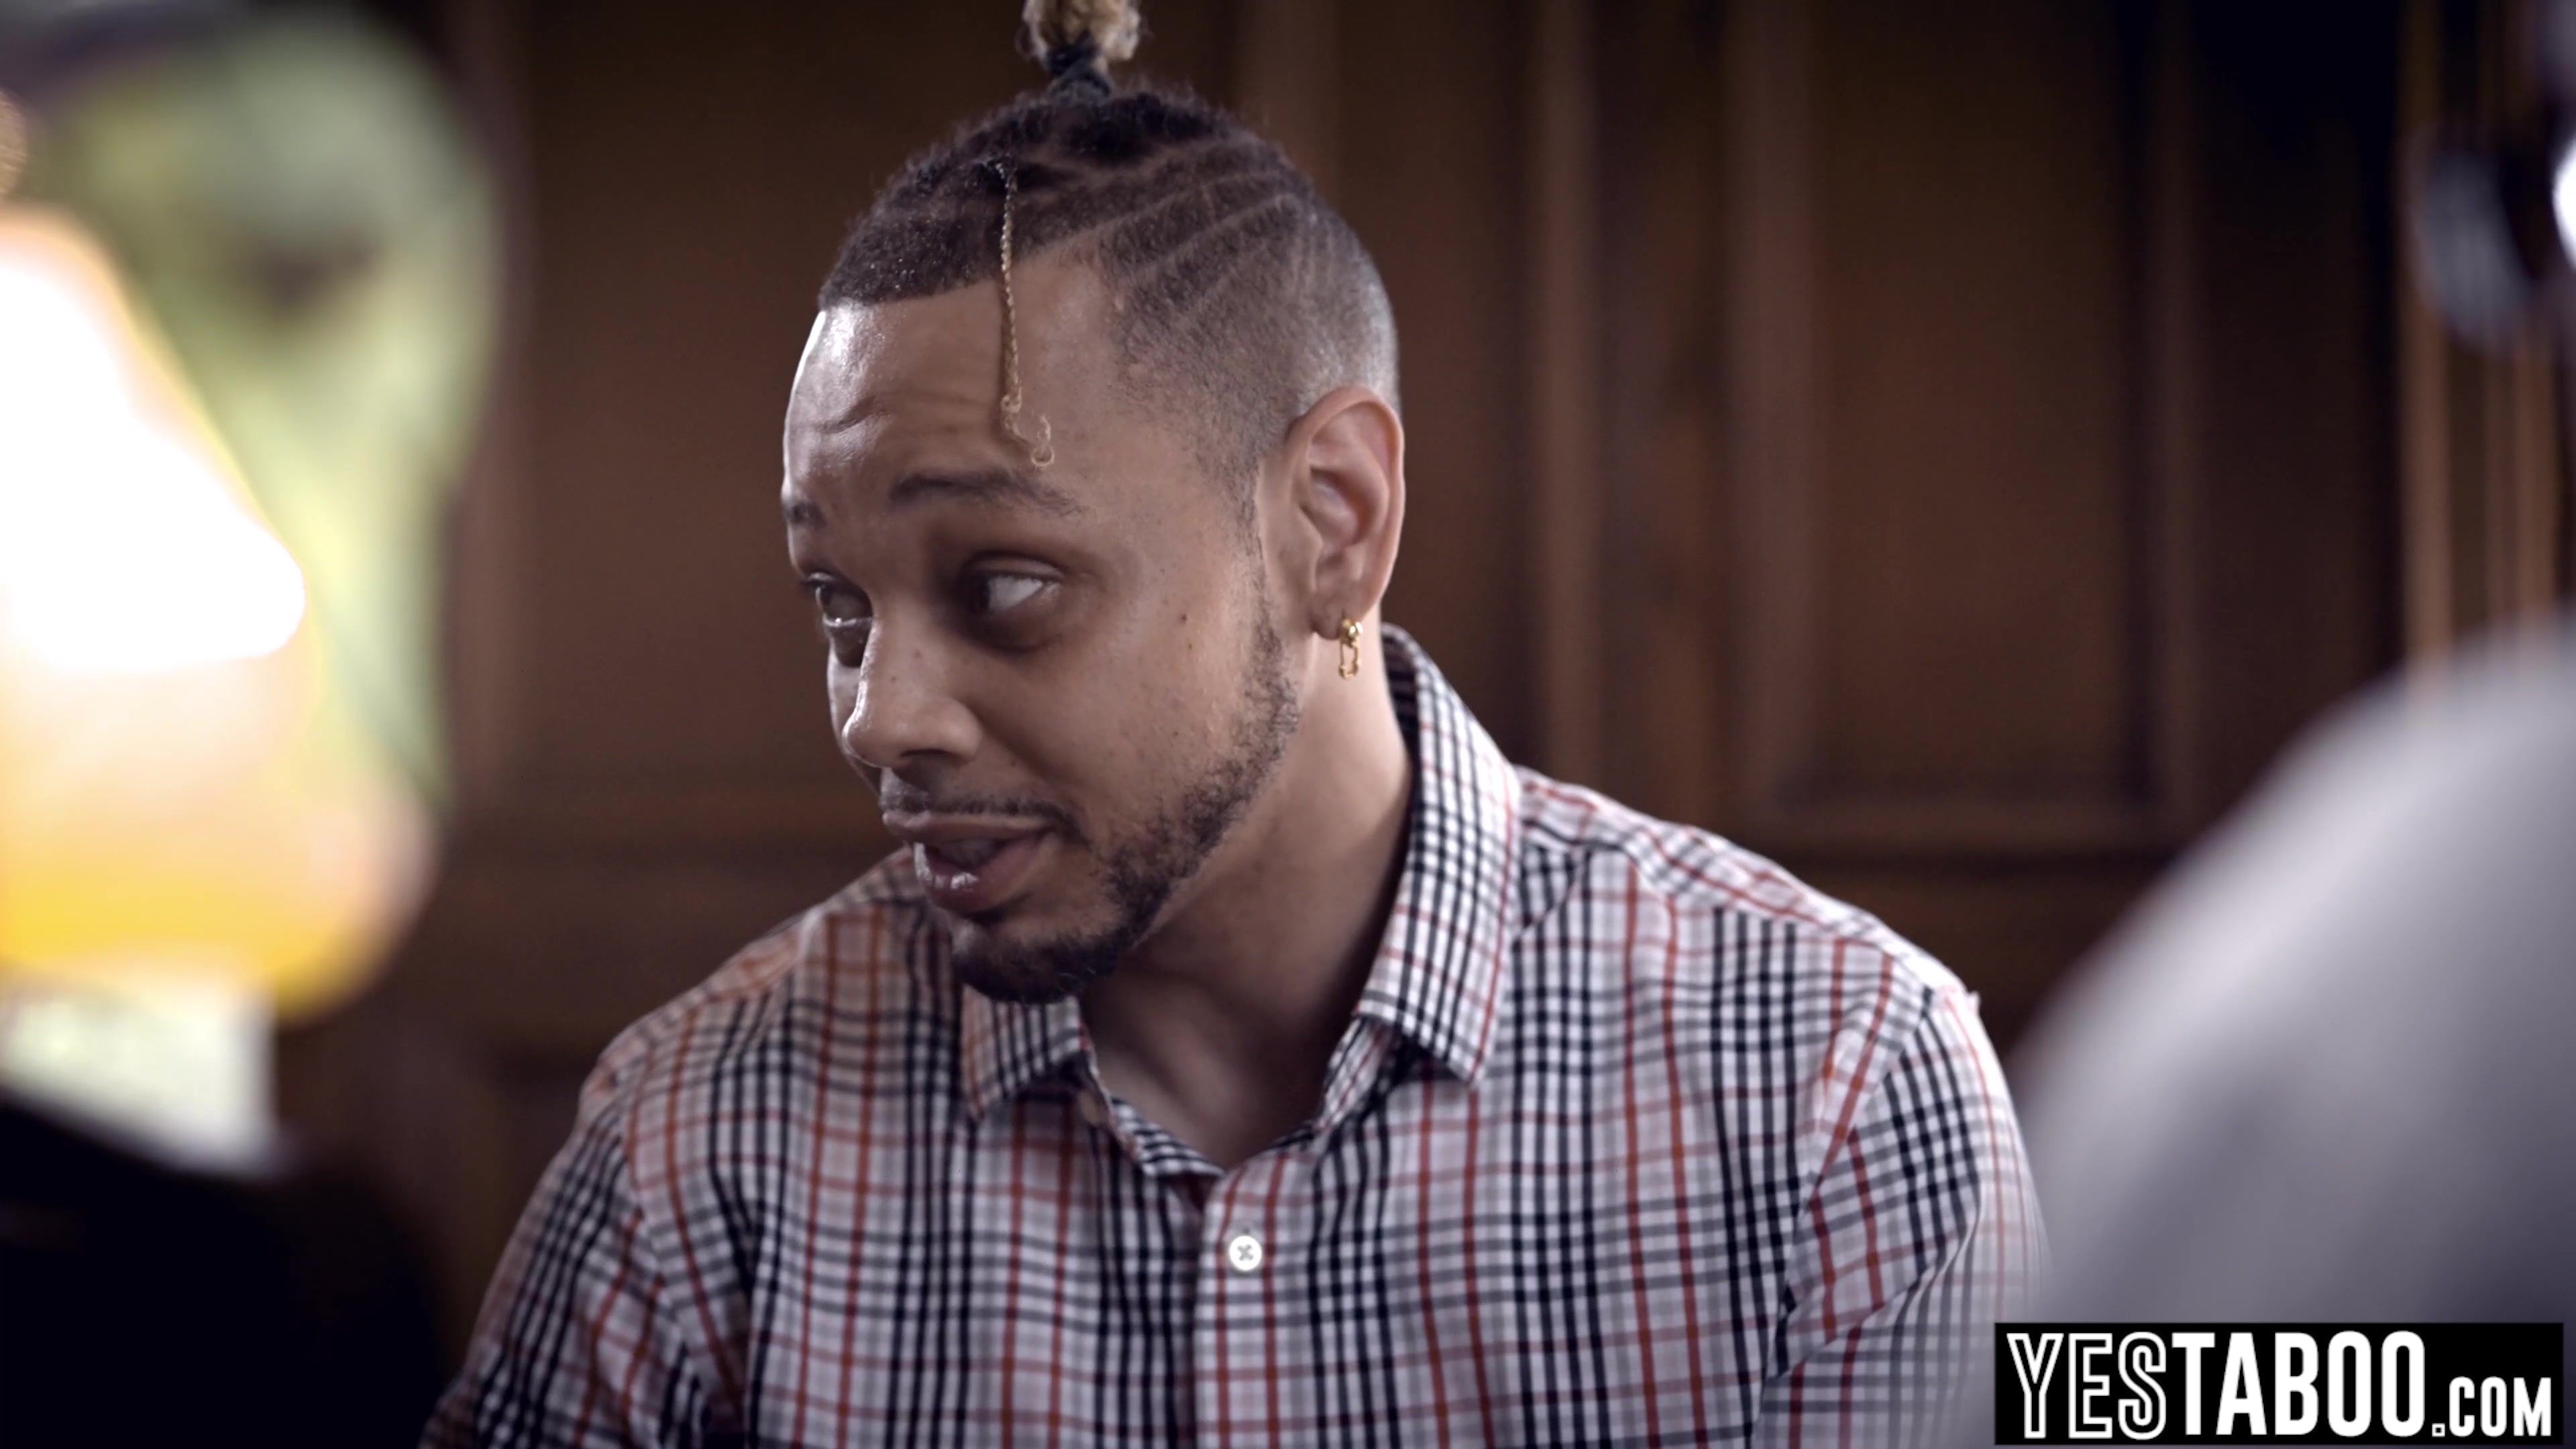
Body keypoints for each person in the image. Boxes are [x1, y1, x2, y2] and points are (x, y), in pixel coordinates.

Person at [423, 3, 2041, 1443]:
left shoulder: (1836, 1087)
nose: (877, 715)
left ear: (1332, 522)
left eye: (1002, 584)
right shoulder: (698, 1141)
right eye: (838, 606)